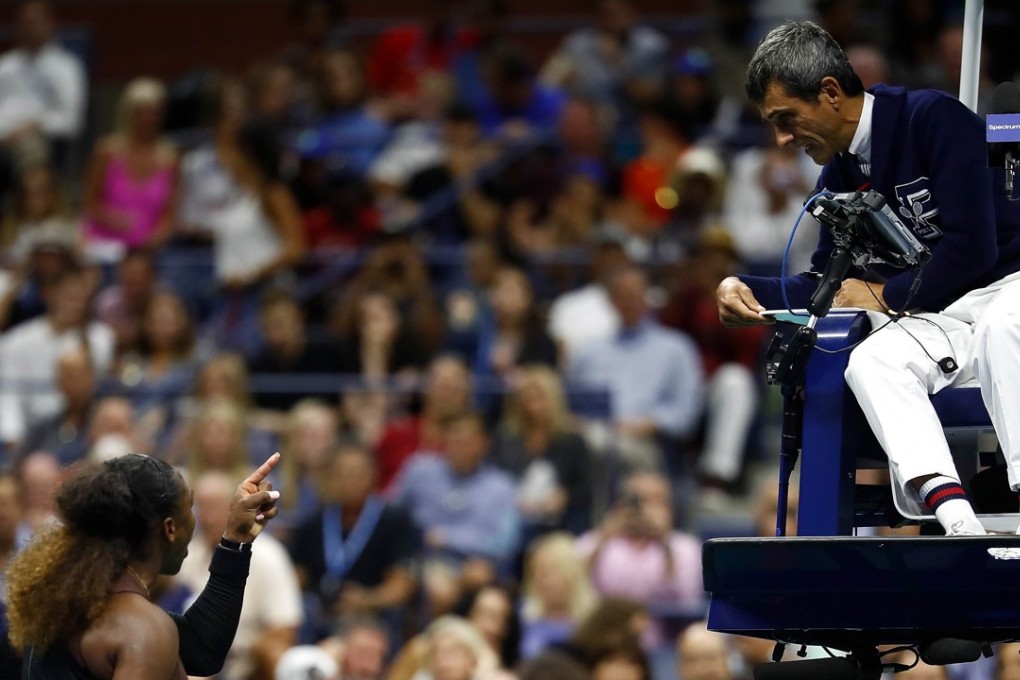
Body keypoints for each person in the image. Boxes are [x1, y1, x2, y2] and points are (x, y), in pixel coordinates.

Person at [716, 20, 1020, 536]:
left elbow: (974, 247)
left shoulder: (932, 119)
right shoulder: (838, 173)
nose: (782, 137)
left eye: (786, 118)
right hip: (938, 314)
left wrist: (885, 293)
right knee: (871, 360)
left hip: (1008, 287)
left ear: (830, 93)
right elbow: (828, 284)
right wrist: (744, 288)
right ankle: (957, 520)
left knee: (1000, 331)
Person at [5, 451, 282, 678]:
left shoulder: (58, 606)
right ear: (170, 528)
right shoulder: (143, 628)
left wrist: (236, 541)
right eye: (190, 507)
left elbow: (201, 651)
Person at [176, 470, 303, 680]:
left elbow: (285, 630)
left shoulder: (268, 555)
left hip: (246, 664)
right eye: (200, 507)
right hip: (191, 659)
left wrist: (245, 649)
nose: (206, 517)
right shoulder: (188, 553)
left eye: (214, 507)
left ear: (233, 507)